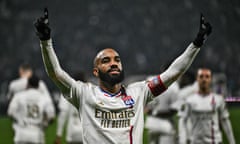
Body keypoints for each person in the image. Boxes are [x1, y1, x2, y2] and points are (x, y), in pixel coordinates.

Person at [34, 8, 212, 144]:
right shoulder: (84, 94)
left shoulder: (140, 92)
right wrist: (45, 41)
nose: (113, 63)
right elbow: (56, 73)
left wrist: (196, 43)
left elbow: (173, 73)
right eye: (106, 60)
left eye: (117, 60)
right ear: (96, 72)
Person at [179, 68, 236, 144]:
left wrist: (232, 142)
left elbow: (225, 121)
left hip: (215, 142)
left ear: (210, 79)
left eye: (207, 76)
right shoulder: (189, 100)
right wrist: (183, 140)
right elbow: (183, 121)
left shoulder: (218, 100)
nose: (204, 79)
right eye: (201, 76)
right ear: (197, 79)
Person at [7, 75, 55, 144]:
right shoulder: (44, 98)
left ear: (27, 84)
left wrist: (18, 120)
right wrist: (45, 124)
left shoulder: (19, 95)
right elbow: (51, 117)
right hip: (37, 133)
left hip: (21, 132)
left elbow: (10, 113)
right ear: (38, 86)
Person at [55, 72, 87, 144]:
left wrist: (58, 135)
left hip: (72, 132)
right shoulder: (90, 92)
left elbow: (63, 114)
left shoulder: (67, 91)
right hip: (87, 133)